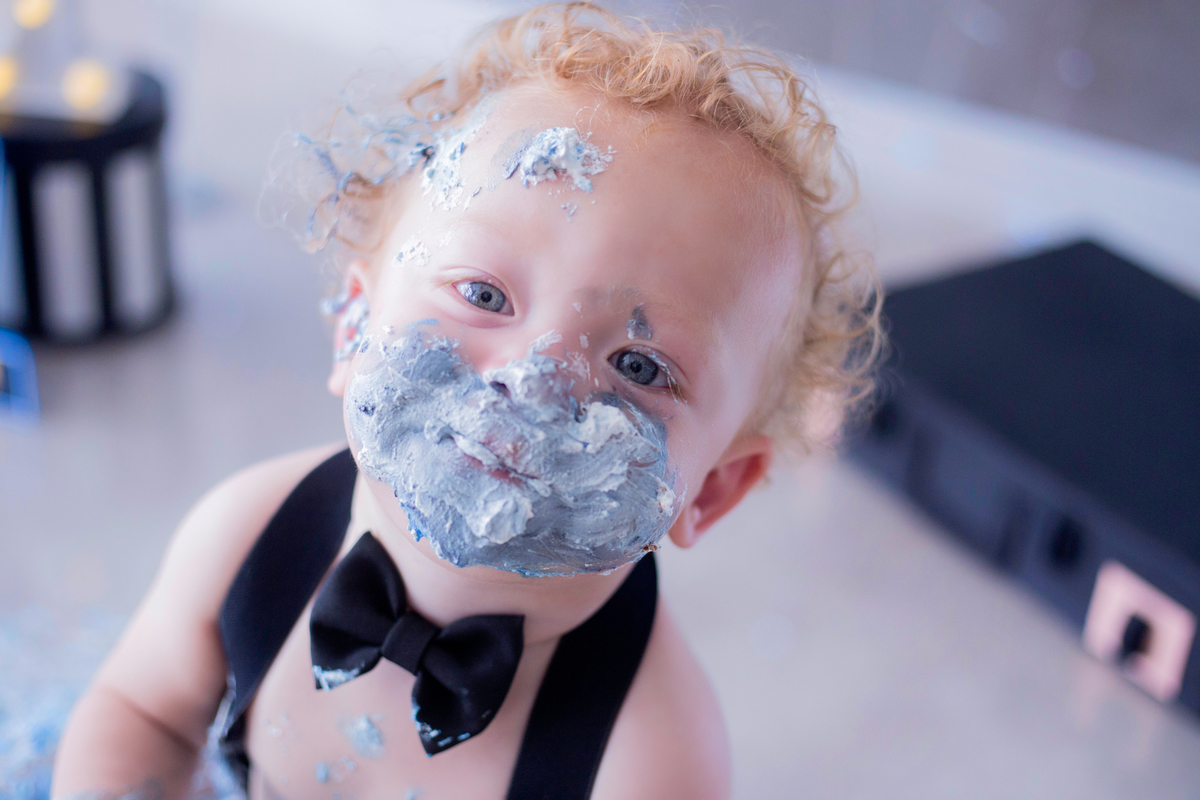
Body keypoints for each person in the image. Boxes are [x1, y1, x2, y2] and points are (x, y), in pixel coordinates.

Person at [51, 4, 880, 799]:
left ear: (711, 490)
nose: (532, 377)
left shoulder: (652, 754)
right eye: (483, 295)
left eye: (639, 363)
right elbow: (142, 711)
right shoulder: (249, 537)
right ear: (352, 326)